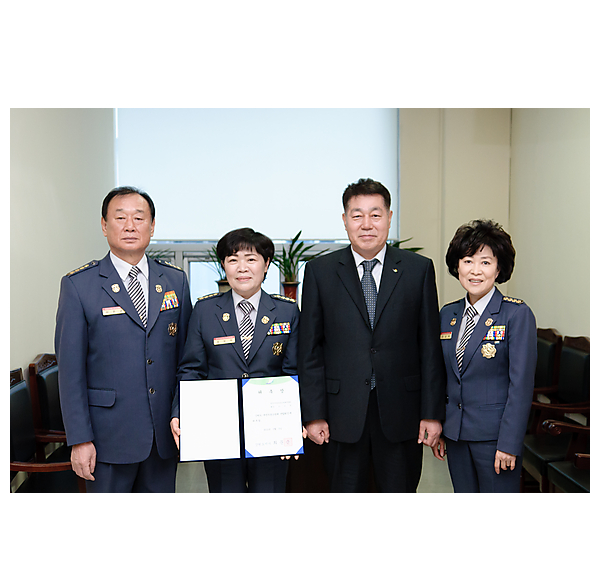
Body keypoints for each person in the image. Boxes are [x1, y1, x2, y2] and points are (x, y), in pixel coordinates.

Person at [298, 178, 446, 492]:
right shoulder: (320, 272)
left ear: (389, 217)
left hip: (402, 413)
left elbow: (430, 348)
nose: (367, 224)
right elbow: (310, 349)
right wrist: (313, 414)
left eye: (375, 215)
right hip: (341, 414)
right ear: (345, 220)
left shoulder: (417, 269)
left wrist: (432, 413)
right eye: (357, 215)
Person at [55, 186, 193, 492]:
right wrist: (79, 439)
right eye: (120, 218)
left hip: (163, 438)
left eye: (139, 218)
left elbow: (187, 361)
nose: (130, 226)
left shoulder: (175, 280)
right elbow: (71, 373)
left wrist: (181, 413)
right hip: (107, 440)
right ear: (104, 226)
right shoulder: (79, 285)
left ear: (152, 226)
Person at [170, 227, 300, 492]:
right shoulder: (205, 311)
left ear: (266, 264)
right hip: (218, 430)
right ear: (223, 266)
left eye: (251, 259)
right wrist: (180, 411)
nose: (242, 268)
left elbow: (293, 371)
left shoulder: (286, 311)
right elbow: (192, 369)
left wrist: (295, 421)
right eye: (233, 259)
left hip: (271, 432)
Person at [434, 219, 536, 492]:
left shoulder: (516, 314)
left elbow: (521, 386)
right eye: (468, 261)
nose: (475, 270)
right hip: (455, 436)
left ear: (499, 268)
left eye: (485, 262)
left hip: (495, 440)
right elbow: (442, 376)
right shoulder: (448, 314)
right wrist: (442, 426)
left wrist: (509, 443)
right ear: (457, 266)